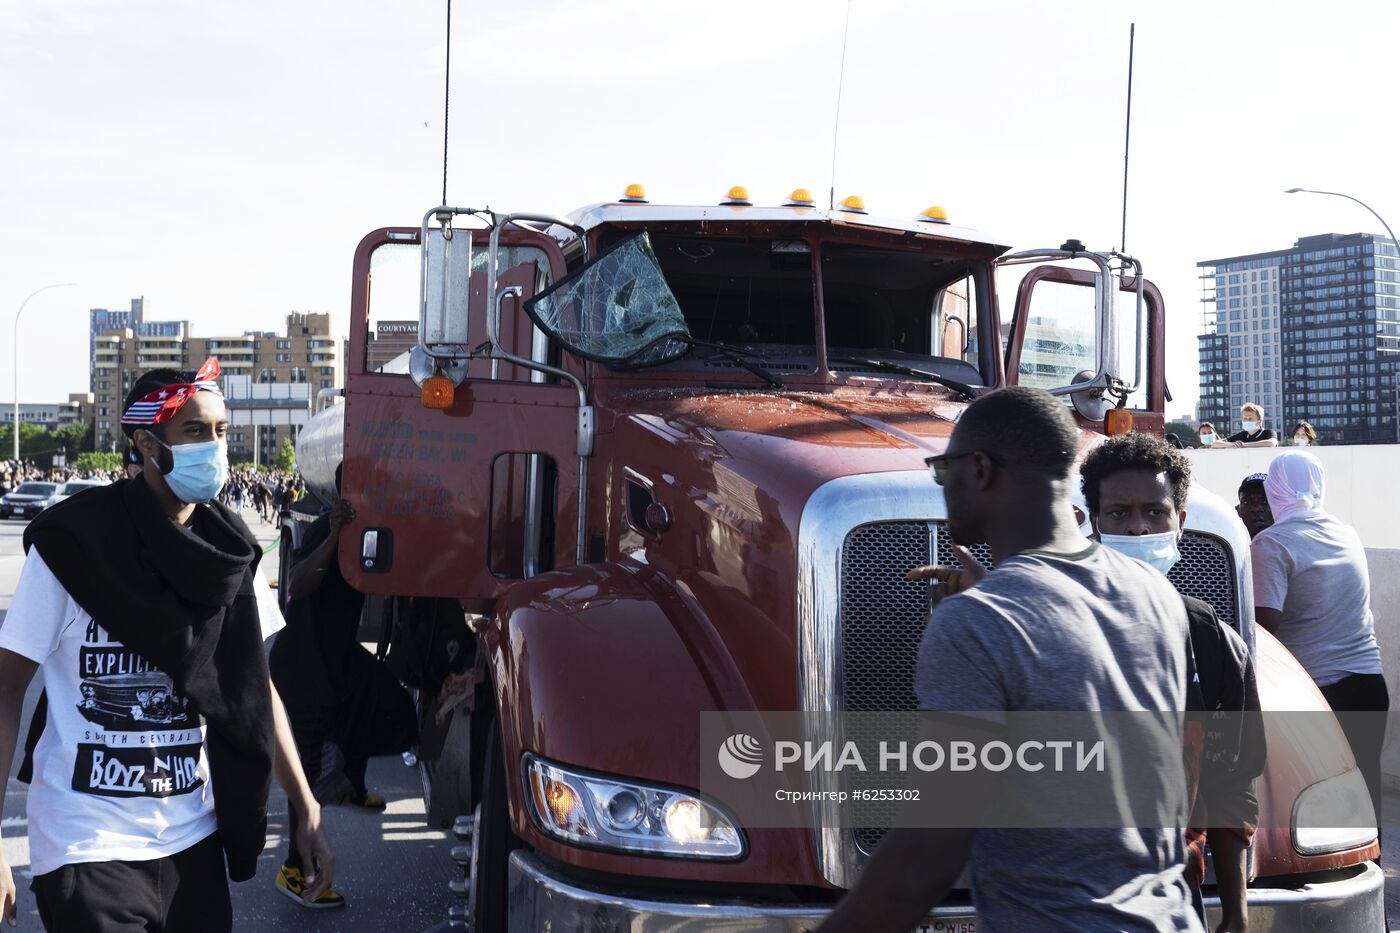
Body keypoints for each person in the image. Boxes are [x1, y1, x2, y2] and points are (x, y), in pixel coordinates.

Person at [821, 387, 1199, 933]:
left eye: (941, 470)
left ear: (979, 470)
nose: (941, 486)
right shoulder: (1155, 594)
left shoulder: (978, 620)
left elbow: (926, 859)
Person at [0, 360, 336, 931]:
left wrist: (305, 805)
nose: (216, 448)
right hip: (88, 842)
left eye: (222, 431)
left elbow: (257, 690)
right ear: (147, 445)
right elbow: (6, 691)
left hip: (192, 842)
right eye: (196, 432)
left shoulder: (230, 554)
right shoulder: (73, 547)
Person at [1079, 433, 1264, 933]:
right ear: (1092, 523)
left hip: (1171, 903)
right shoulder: (1052, 628)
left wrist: (1237, 913)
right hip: (1061, 903)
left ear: (1179, 523)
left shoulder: (1213, 643)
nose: (1138, 528)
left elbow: (1232, 783)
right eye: (1119, 514)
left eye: (1155, 513)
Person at [1252, 451, 1387, 822]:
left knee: (1311, 802)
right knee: (1365, 792)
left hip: (1315, 693)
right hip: (1368, 684)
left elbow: (1265, 625)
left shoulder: (1272, 543)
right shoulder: (1347, 533)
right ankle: (1372, 867)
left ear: (1274, 489)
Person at [1235, 473, 1273, 540]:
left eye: (1265, 501)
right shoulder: (1227, 548)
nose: (1256, 508)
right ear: (1238, 510)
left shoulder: (1295, 547)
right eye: (1246, 502)